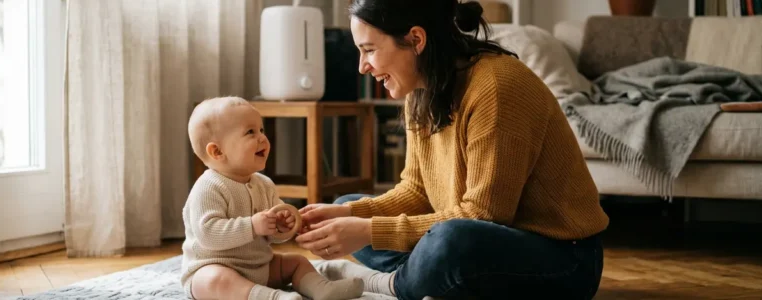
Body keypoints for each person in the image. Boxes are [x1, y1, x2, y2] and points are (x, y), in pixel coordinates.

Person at [294, 0, 610, 299]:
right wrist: (349, 214)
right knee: (347, 202)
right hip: (480, 244)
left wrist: (369, 229)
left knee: (450, 240)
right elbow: (416, 191)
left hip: (565, 260)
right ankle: (424, 279)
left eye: (369, 50)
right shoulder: (420, 87)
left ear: (416, 39)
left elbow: (485, 216)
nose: (363, 67)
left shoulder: (498, 87)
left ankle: (391, 285)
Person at [180, 96, 364, 300]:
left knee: (296, 262)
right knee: (215, 280)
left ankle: (322, 289)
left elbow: (274, 235)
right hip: (214, 267)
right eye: (250, 132)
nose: (262, 138)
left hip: (260, 266)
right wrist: (252, 226)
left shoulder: (264, 184)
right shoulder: (208, 188)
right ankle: (271, 297)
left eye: (261, 130)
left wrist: (284, 226)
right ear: (217, 151)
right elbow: (208, 234)